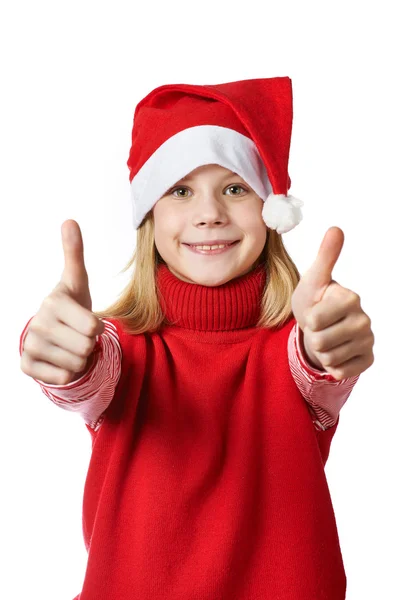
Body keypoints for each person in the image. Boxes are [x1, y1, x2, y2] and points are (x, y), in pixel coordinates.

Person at [19, 76, 374, 600]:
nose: (209, 213)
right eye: (180, 190)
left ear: (270, 214)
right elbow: (91, 373)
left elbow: (315, 368)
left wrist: (329, 344)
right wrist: (57, 349)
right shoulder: (120, 350)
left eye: (235, 188)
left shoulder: (299, 348)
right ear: (150, 216)